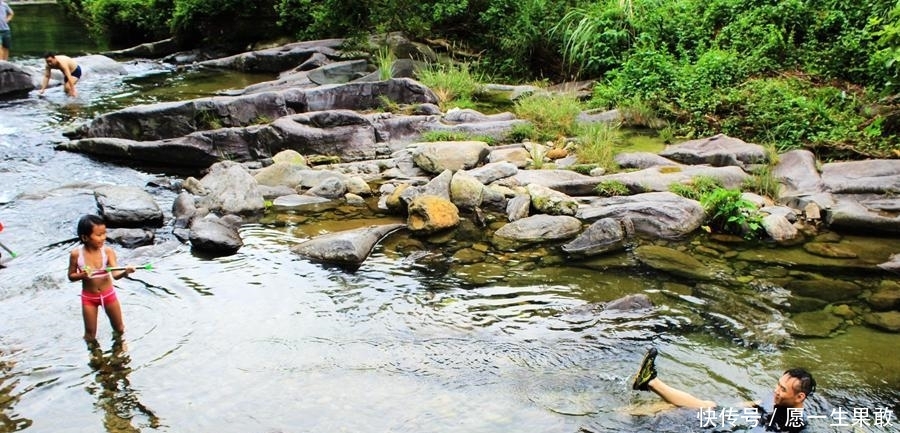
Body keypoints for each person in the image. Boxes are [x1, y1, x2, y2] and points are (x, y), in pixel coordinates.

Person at [631, 347, 816, 432]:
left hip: (727, 429)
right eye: (777, 384)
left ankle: (649, 383)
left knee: (692, 410)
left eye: (782, 389)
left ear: (799, 396)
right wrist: (727, 409)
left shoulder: (793, 425)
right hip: (731, 419)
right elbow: (755, 404)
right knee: (706, 405)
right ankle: (649, 383)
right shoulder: (776, 398)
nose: (776, 390)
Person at [67, 214, 134, 343]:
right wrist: (82, 275)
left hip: (108, 295)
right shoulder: (76, 254)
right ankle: (94, 357)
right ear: (85, 237)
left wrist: (125, 272)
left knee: (119, 328)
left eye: (104, 233)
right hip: (89, 298)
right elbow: (71, 276)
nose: (103, 238)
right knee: (90, 335)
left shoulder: (108, 252)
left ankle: (119, 350)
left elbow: (115, 275)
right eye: (98, 235)